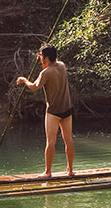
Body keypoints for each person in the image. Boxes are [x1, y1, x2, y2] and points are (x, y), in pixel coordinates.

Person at [16, 43, 75, 178]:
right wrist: (42, 59)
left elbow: (34, 86)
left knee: (50, 142)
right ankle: (70, 170)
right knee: (68, 140)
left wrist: (24, 80)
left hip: (53, 111)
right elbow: (49, 66)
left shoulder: (46, 73)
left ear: (46, 58)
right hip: (67, 109)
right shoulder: (62, 65)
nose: (40, 58)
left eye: (41, 56)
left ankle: (48, 172)